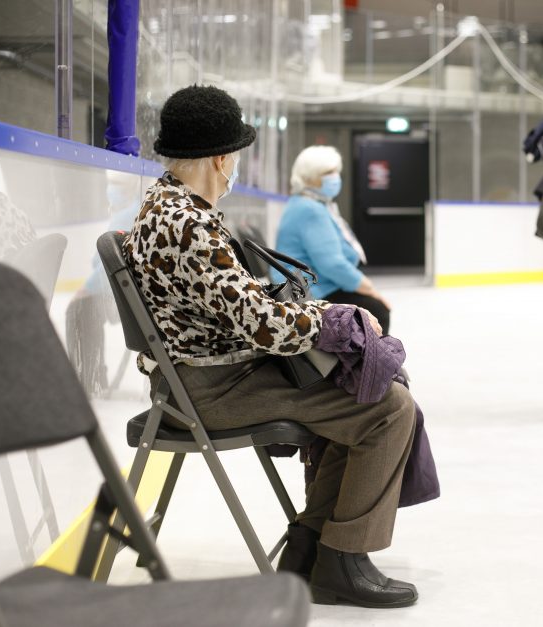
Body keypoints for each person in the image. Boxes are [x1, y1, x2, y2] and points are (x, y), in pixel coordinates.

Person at [123, 85, 419, 608]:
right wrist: (335, 320)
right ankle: (342, 560)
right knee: (387, 406)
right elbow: (261, 325)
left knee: (356, 386)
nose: (234, 163)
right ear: (219, 158)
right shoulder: (189, 224)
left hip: (200, 377)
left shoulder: (165, 205)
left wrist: (323, 314)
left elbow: (237, 303)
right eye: (234, 154)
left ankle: (314, 547)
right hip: (210, 388)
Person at [272, 145, 392, 333]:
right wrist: (370, 289)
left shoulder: (310, 204)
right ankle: (367, 362)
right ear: (310, 176)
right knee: (376, 309)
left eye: (336, 172)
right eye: (328, 172)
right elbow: (332, 264)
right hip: (309, 292)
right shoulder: (310, 209)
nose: (335, 177)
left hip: (314, 285)